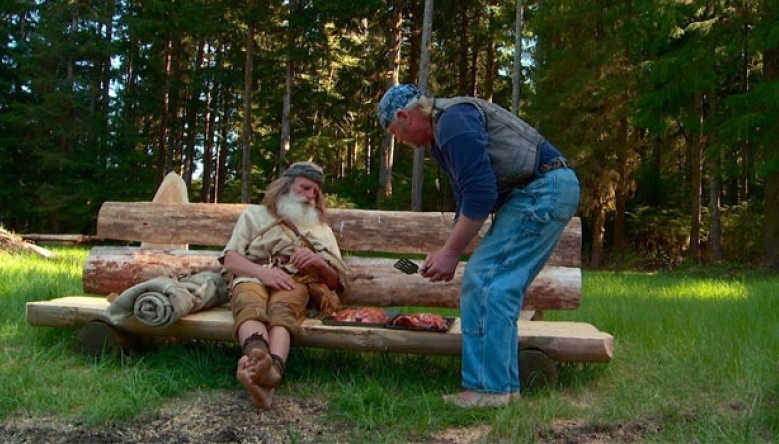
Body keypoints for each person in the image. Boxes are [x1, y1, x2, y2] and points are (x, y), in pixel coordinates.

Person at [377, 84, 580, 408]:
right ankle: (502, 388)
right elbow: (467, 199)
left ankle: (488, 390)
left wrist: (451, 253)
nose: (399, 141)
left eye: (395, 132)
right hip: (537, 192)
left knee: (485, 282)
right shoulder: (443, 137)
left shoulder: (453, 122)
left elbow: (481, 194)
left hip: (542, 190)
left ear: (405, 116)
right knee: (493, 284)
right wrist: (445, 253)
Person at [219, 161, 348, 410]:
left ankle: (270, 372)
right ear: (286, 186)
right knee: (248, 300)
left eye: (315, 192)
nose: (310, 196)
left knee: (283, 309)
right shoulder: (254, 215)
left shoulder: (320, 228)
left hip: (295, 280)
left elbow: (337, 282)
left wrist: (319, 264)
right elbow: (230, 259)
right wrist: (262, 274)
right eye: (305, 188)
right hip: (253, 273)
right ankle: (260, 359)